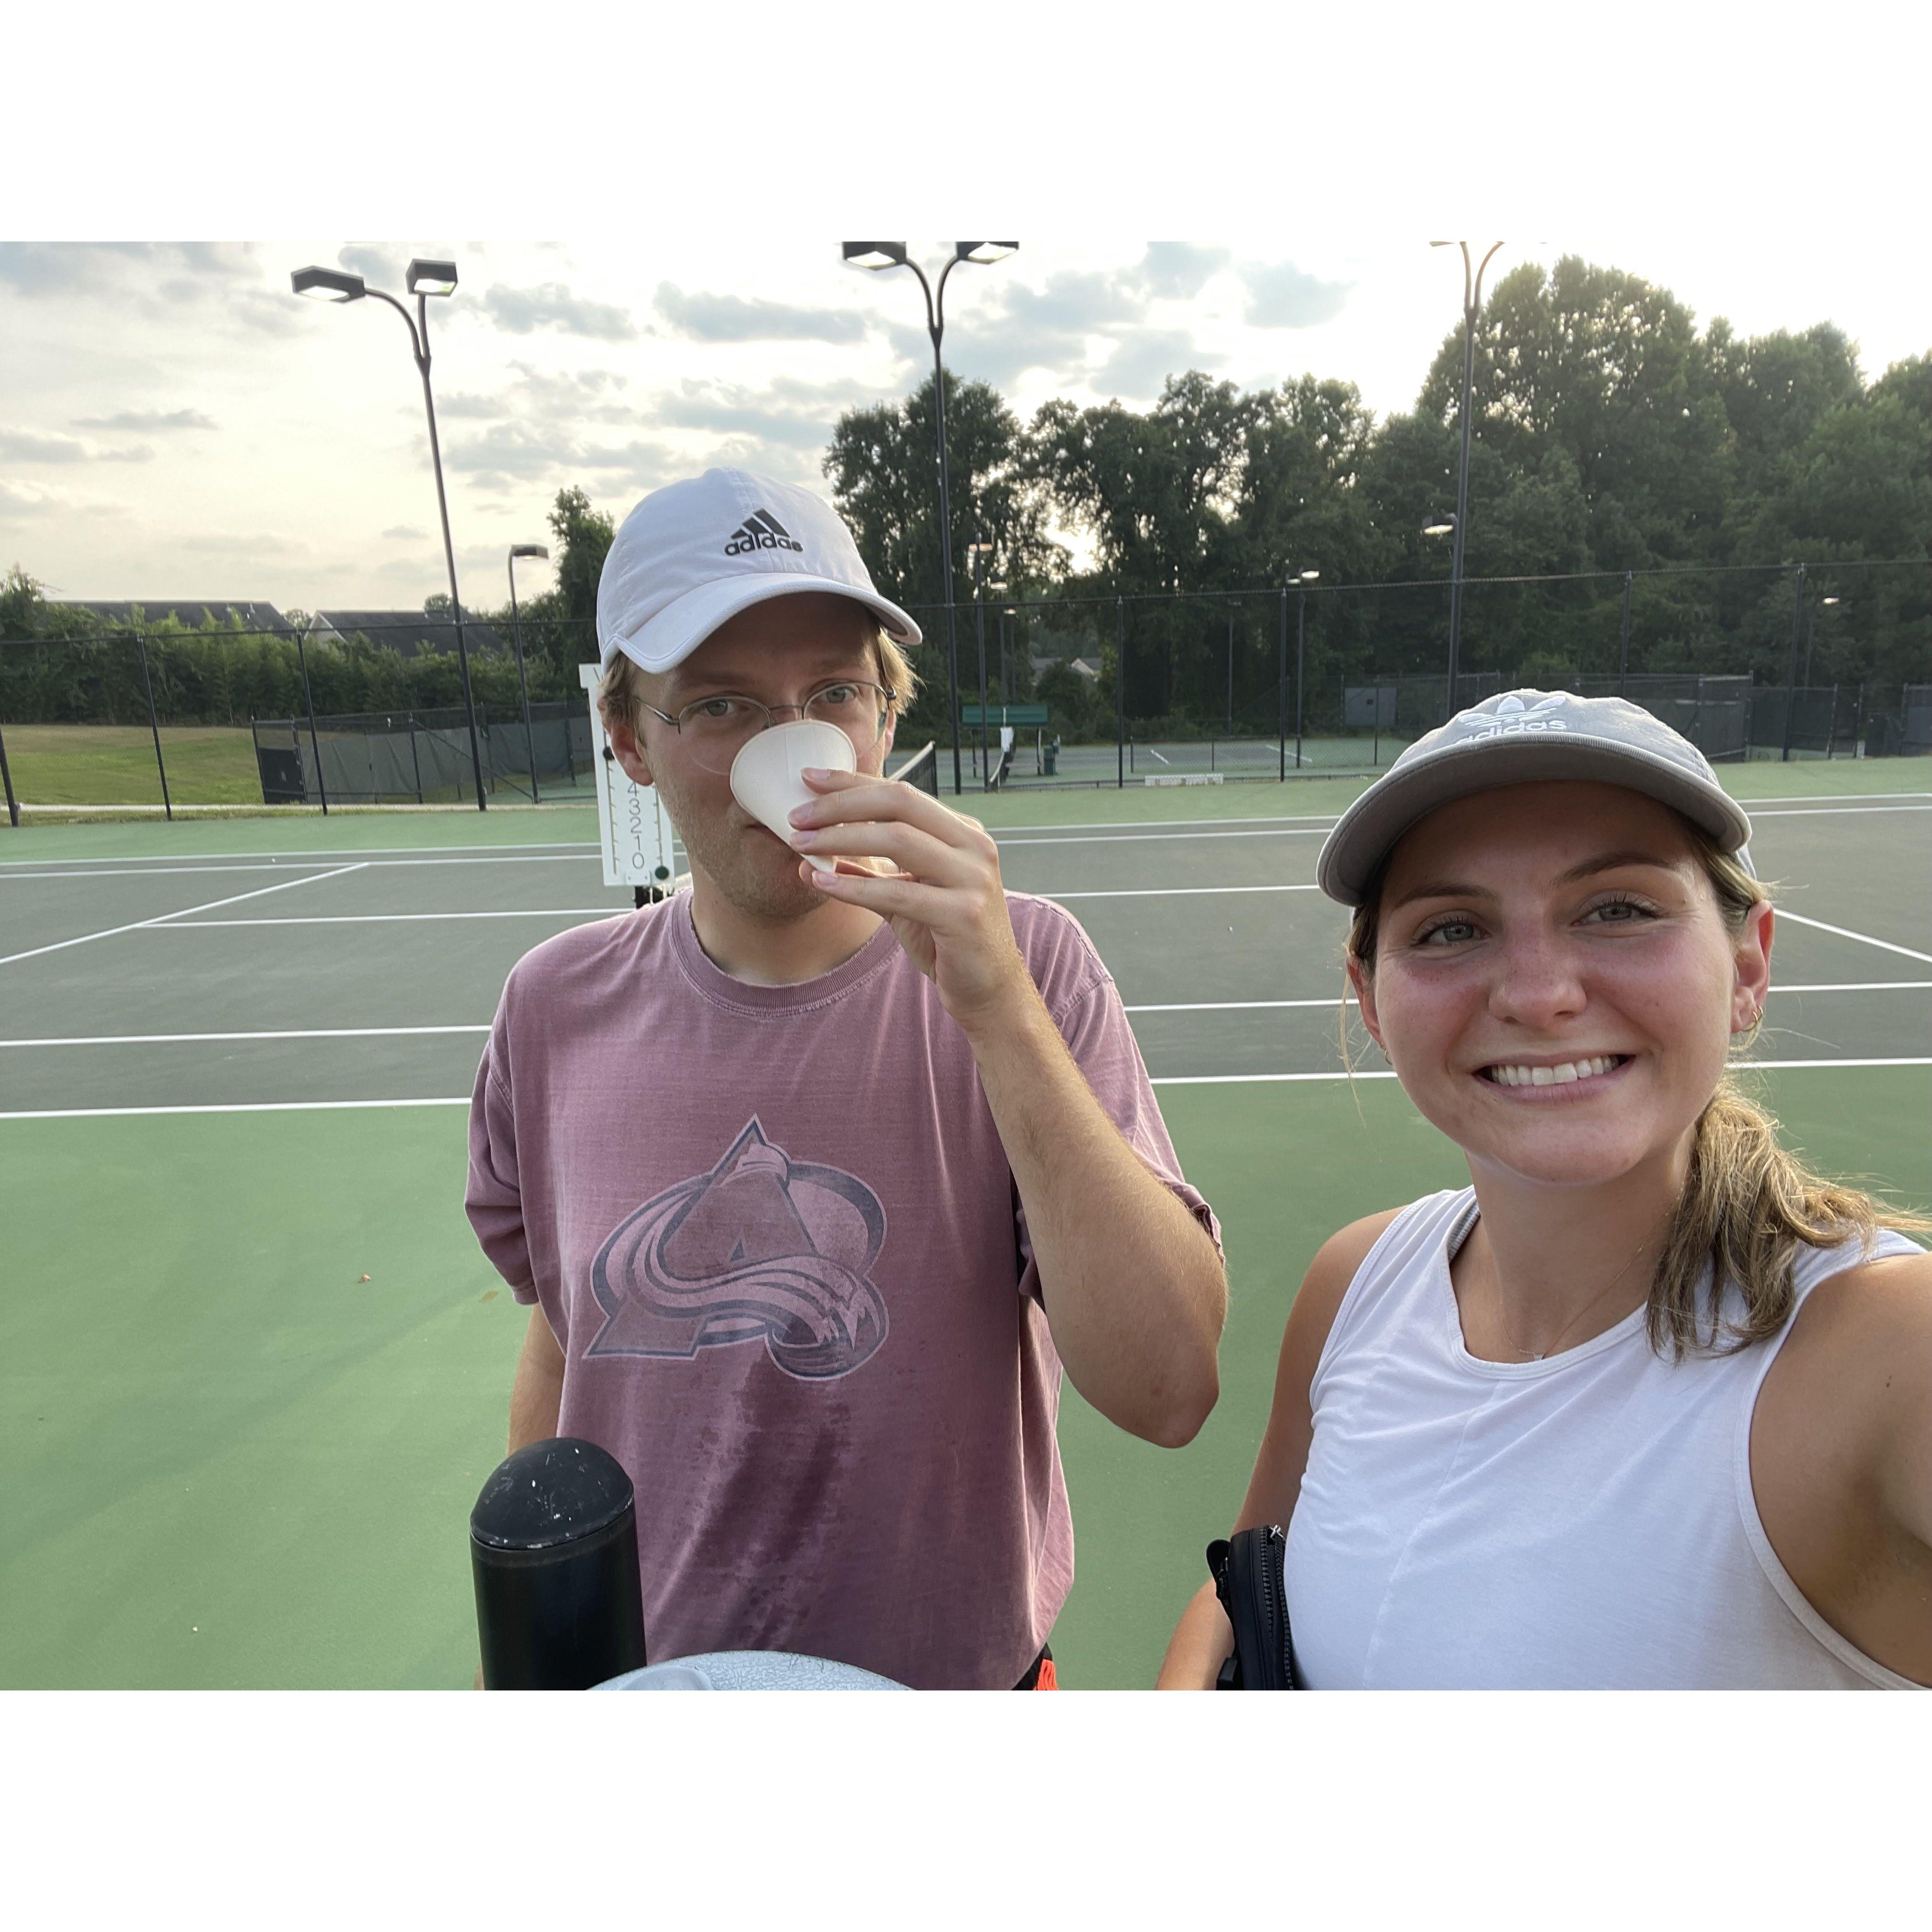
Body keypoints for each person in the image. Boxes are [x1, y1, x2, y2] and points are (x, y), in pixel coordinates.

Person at [467, 468, 1225, 1690]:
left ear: (884, 717)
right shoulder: (553, 1008)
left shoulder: (1032, 965)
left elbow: (1172, 1387)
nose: (794, 751)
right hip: (667, 1697)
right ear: (629, 743)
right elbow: (571, 1334)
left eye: (831, 694)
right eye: (720, 707)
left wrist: (996, 1009)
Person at [1159, 690, 1930, 1689]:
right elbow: (1244, 1594)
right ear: (1371, 1000)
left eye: (1617, 910)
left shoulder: (1884, 1348)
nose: (1537, 993)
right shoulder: (1358, 1282)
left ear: (1748, 965)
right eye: (1449, 929)